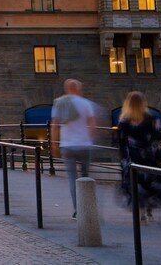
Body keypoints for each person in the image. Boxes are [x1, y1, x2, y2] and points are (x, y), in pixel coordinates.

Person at [51, 79, 97, 219]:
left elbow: (55, 125)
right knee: (85, 175)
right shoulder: (86, 104)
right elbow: (92, 125)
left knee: (72, 178)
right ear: (78, 89)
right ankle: (87, 207)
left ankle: (78, 210)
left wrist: (54, 144)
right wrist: (90, 139)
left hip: (67, 145)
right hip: (84, 145)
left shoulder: (59, 103)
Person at [117, 91, 161, 224]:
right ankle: (149, 210)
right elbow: (159, 137)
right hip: (148, 156)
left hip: (132, 157)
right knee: (149, 183)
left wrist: (123, 157)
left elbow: (120, 141)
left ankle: (140, 213)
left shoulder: (124, 121)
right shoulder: (151, 119)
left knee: (134, 184)